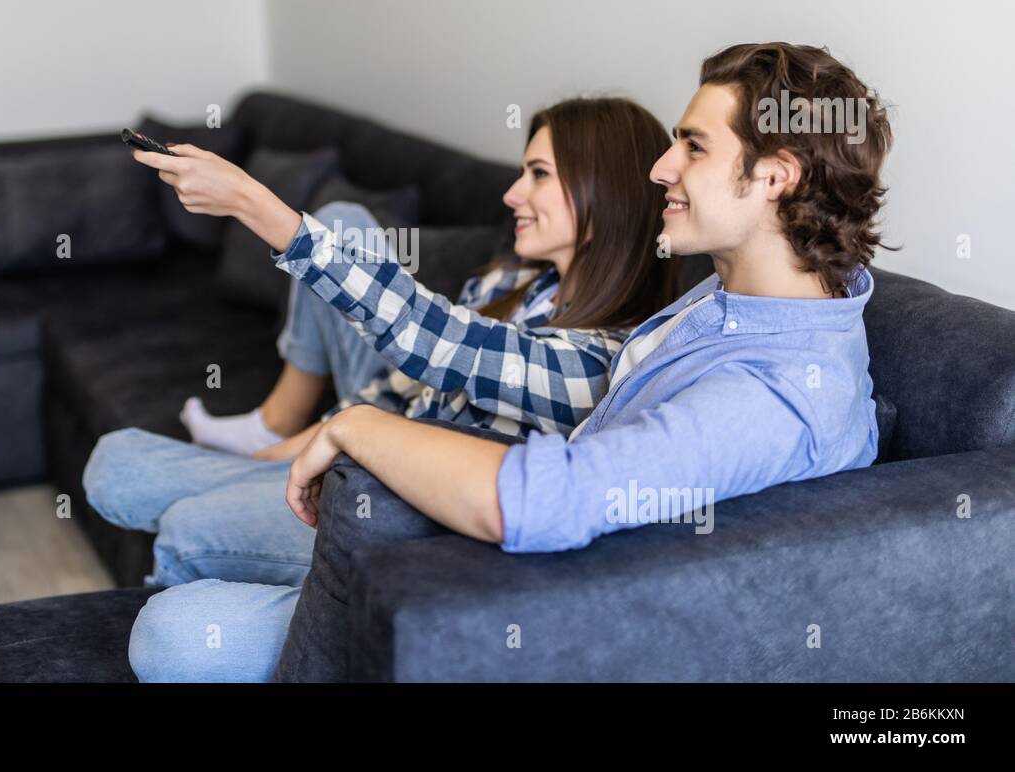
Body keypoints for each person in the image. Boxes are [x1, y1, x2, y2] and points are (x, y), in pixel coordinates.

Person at [127, 41, 894, 682]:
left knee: (172, 627)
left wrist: (358, 425)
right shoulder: (732, 298)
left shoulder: (776, 390)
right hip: (471, 552)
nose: (661, 169)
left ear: (776, 175)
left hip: (516, 598)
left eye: (692, 146)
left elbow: (539, 500)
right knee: (134, 489)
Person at [82, 97, 678, 593]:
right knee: (117, 464)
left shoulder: (601, 362)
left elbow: (438, 343)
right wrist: (277, 459)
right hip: (360, 454)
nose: (511, 195)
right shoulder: (508, 282)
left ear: (607, 194)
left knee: (188, 528)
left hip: (395, 510)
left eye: (538, 175)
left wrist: (250, 202)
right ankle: (268, 440)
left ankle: (239, 576)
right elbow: (397, 391)